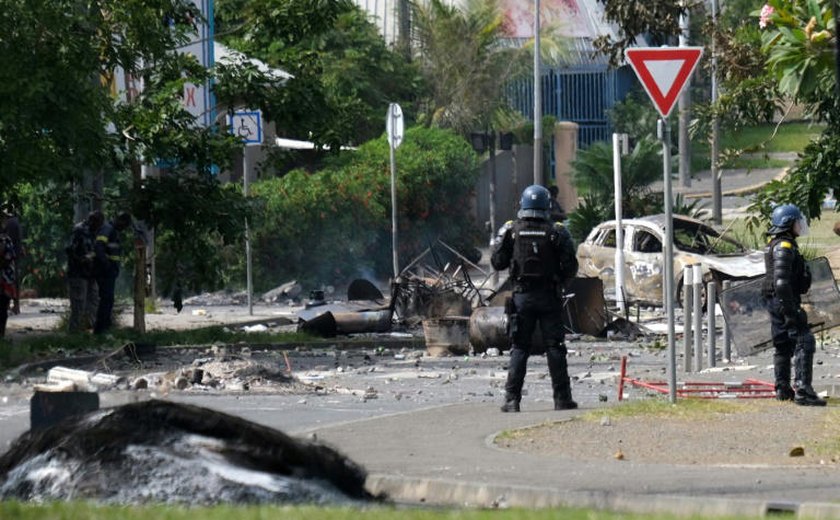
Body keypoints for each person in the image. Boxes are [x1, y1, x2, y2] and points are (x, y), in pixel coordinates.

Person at [491, 185, 578, 412]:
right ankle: (562, 399)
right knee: (555, 347)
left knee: (519, 347)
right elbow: (571, 267)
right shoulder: (556, 231)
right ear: (547, 205)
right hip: (549, 296)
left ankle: (512, 400)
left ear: (522, 204)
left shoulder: (511, 231)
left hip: (522, 297)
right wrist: (558, 279)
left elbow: (497, 262)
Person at [763, 204, 825, 406]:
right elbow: (781, 282)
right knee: (804, 341)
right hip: (784, 301)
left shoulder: (776, 243)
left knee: (783, 345)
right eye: (797, 222)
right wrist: (791, 311)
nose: (800, 225)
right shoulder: (784, 246)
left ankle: (783, 389)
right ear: (788, 223)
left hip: (776, 301)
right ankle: (803, 391)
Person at [93, 212, 132, 334]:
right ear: (119, 220)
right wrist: (107, 265)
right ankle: (100, 329)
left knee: (108, 300)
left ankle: (105, 327)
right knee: (106, 299)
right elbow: (99, 247)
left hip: (109, 272)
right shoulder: (107, 229)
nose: (123, 228)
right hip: (105, 272)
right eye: (123, 225)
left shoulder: (113, 232)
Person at [66, 211, 104, 332]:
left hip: (91, 274)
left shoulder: (96, 232)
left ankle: (91, 329)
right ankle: (74, 332)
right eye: (97, 224)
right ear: (92, 221)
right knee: (78, 305)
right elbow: (69, 250)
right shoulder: (79, 230)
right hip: (78, 274)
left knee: (94, 302)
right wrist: (82, 259)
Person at [2, 203, 23, 315]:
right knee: (14, 280)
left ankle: (10, 305)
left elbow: (6, 241)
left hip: (8, 257)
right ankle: (16, 305)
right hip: (15, 255)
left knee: (8, 280)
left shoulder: (9, 223)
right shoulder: (16, 222)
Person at [0, 211, 16, 338]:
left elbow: (8, 258)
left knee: (3, 309)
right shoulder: (6, 239)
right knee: (3, 309)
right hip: (5, 280)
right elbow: (9, 258)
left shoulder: (6, 239)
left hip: (5, 280)